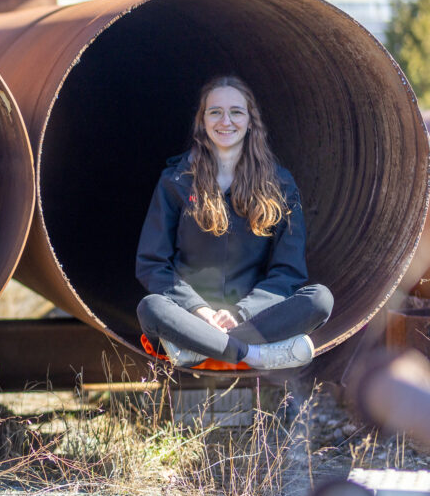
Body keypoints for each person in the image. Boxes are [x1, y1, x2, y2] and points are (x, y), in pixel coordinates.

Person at [136, 76, 333, 371]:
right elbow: (152, 264)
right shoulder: (176, 181)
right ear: (202, 121)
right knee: (151, 307)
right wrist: (200, 311)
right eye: (215, 112)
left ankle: (199, 348)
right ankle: (252, 354)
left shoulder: (279, 184)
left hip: (252, 319)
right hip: (189, 316)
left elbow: (288, 271)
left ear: (250, 121)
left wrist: (241, 313)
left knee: (319, 299)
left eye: (236, 112)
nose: (225, 121)